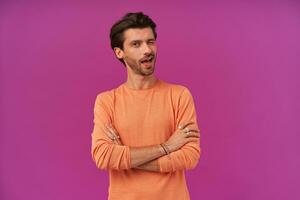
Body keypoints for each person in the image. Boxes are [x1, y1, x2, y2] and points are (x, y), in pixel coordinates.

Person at [91, 12, 201, 200]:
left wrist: (125, 157)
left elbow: (190, 156)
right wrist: (166, 147)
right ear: (119, 52)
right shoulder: (107, 101)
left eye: (150, 42)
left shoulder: (179, 95)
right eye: (136, 44)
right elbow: (103, 156)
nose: (147, 50)